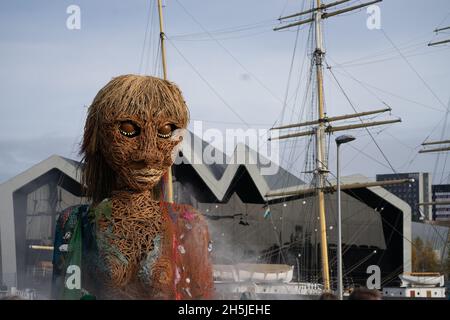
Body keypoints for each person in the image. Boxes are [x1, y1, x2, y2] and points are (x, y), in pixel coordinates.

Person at [52, 75, 213, 300]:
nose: (148, 154)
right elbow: (65, 294)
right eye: (128, 130)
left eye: (165, 131)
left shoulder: (188, 223)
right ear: (98, 137)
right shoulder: (75, 223)